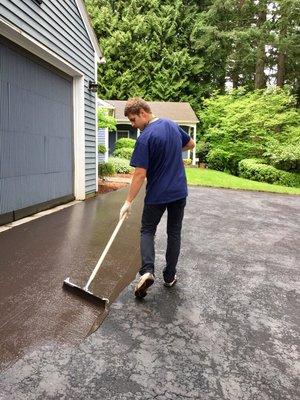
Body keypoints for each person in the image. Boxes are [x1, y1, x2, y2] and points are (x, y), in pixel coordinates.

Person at [119, 98, 195, 298]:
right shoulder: (171, 124)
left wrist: (127, 202)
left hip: (157, 195)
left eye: (134, 120)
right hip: (179, 192)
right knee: (174, 233)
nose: (133, 125)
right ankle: (169, 276)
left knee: (147, 230)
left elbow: (139, 174)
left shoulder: (145, 138)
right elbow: (191, 144)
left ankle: (147, 271)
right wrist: (170, 150)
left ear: (143, 113)